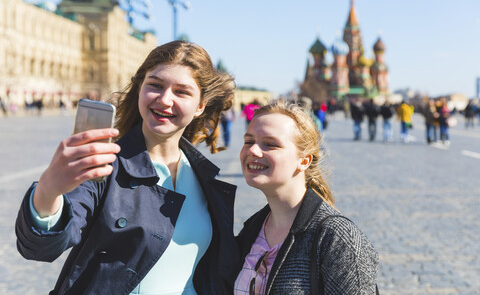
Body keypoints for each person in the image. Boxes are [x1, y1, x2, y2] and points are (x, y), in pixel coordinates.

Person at [15, 41, 239, 294]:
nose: (165, 100)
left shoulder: (204, 178)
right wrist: (48, 191)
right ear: (140, 89)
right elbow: (42, 247)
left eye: (182, 92)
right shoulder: (105, 164)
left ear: (200, 105)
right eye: (155, 85)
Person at [234, 100, 379, 294]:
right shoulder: (252, 229)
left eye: (270, 144)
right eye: (249, 141)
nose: (252, 150)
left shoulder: (336, 239)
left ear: (303, 160)